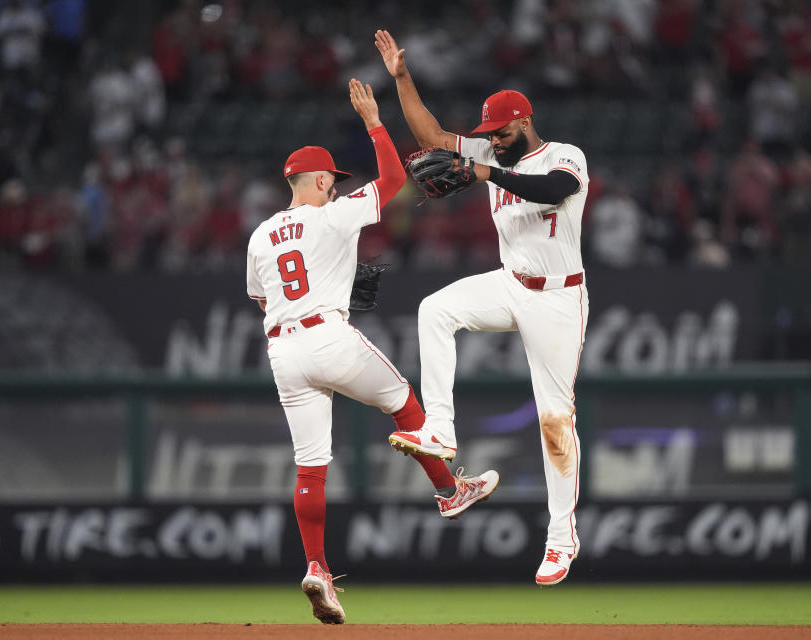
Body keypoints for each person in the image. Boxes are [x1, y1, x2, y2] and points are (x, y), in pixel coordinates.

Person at [246, 79, 497, 624]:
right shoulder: (332, 215)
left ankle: (317, 567)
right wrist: (375, 121)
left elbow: (262, 296)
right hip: (328, 336)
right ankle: (450, 492)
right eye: (332, 181)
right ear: (317, 179)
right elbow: (391, 178)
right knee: (406, 403)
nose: (336, 188)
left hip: (283, 353)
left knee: (310, 469)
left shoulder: (262, 234)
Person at [376, 30, 589, 586]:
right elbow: (433, 136)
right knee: (434, 309)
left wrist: (486, 171)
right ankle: (441, 430)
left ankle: (561, 536)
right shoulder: (490, 151)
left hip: (559, 295)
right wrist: (402, 79)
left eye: (500, 132)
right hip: (511, 281)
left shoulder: (564, 155)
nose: (491, 140)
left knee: (553, 421)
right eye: (488, 135)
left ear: (523, 122)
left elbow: (551, 189)